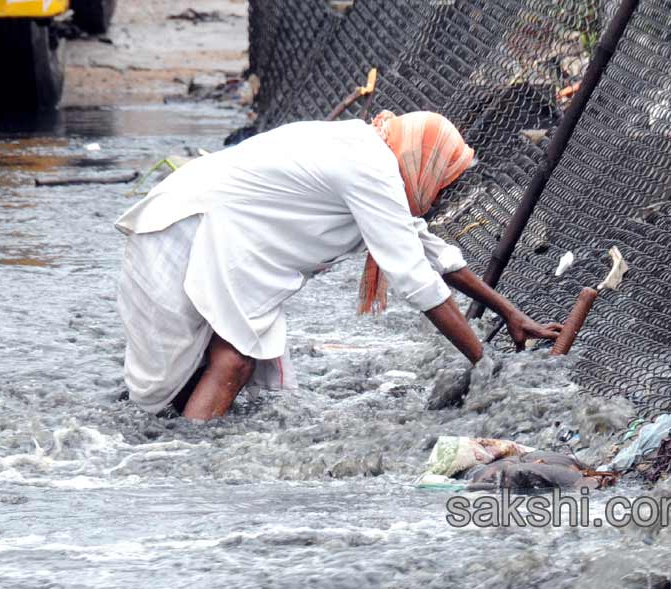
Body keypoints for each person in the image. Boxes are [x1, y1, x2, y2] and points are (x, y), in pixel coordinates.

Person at [115, 111, 561, 421]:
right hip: (188, 233)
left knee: (221, 365)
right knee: (228, 363)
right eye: (443, 185)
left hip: (204, 231)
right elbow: (416, 280)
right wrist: (488, 366)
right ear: (422, 163)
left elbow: (429, 252)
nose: (440, 199)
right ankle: (184, 478)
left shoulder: (368, 150)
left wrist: (510, 315)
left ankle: (185, 453)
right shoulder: (371, 169)